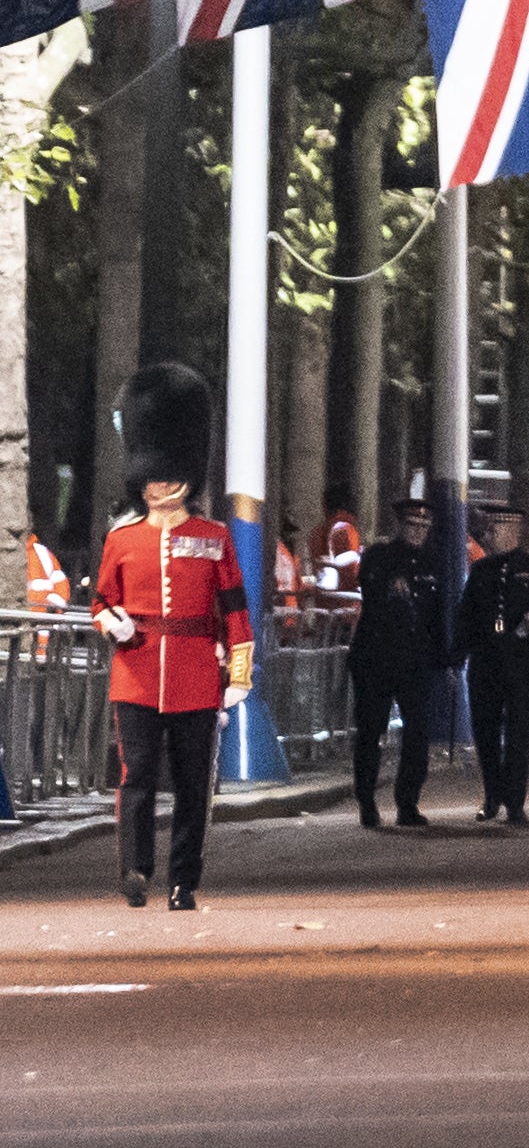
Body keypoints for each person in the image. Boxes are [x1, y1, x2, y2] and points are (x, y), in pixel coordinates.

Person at [89, 365, 248, 911]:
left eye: (169, 476)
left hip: (197, 675)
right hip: (135, 673)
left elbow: (235, 612)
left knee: (191, 787)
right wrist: (114, 624)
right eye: (152, 478)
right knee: (134, 778)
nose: (160, 485)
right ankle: (135, 868)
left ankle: (184, 879)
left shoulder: (214, 538)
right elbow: (100, 601)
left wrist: (240, 677)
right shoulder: (123, 539)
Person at [346, 488, 446, 829]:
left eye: (424, 525)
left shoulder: (434, 563)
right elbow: (371, 585)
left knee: (417, 734)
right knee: (370, 732)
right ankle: (367, 801)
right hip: (376, 657)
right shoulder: (379, 555)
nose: (418, 531)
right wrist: (393, 577)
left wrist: (445, 658)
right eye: (412, 525)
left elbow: (438, 615)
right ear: (400, 526)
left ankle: (408, 803)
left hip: (415, 660)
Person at [457, 503, 529, 823]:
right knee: (485, 733)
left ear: (514, 530)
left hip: (522, 661)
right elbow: (467, 618)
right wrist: (454, 658)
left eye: (499, 529)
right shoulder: (481, 571)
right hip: (486, 661)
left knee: (518, 734)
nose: (492, 535)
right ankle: (492, 796)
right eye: (492, 529)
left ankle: (515, 801)